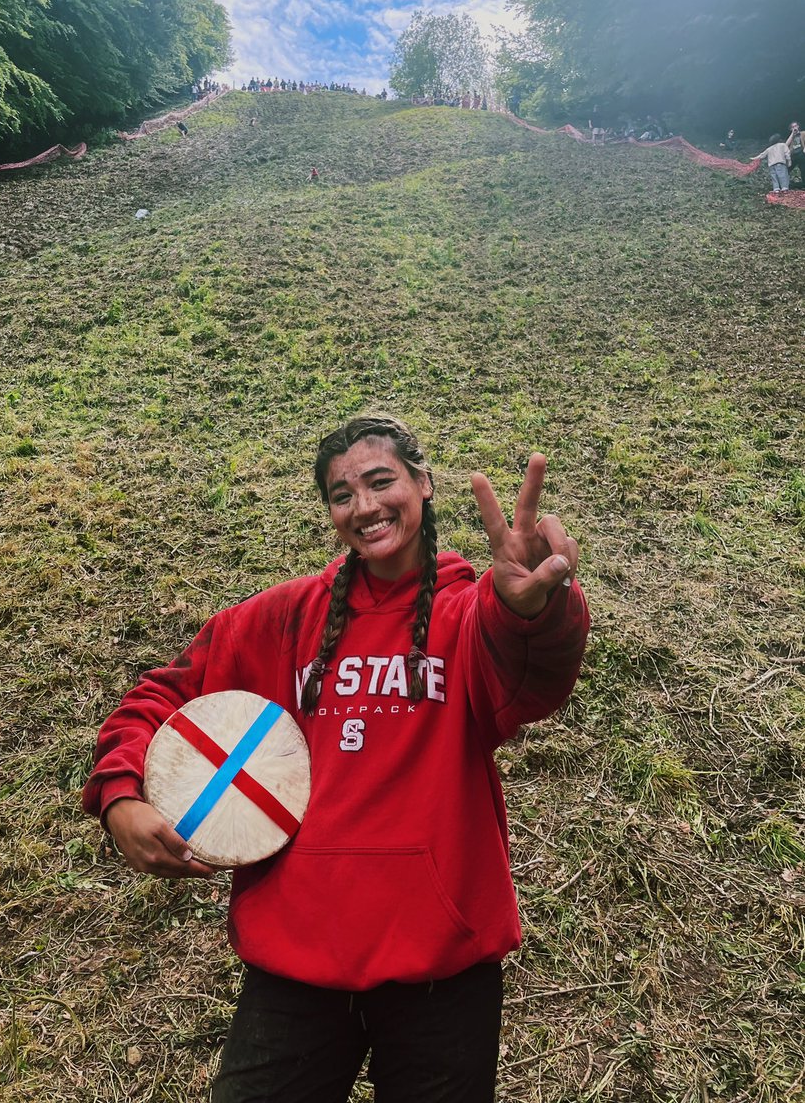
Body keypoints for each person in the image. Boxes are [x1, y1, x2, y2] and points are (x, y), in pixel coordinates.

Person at [82, 415, 589, 1102]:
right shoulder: (283, 617)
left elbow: (534, 674)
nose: (365, 506)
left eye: (382, 482)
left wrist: (532, 609)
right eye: (342, 494)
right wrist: (120, 795)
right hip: (296, 968)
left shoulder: (471, 613)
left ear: (424, 483)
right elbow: (160, 698)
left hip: (442, 974)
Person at [786, 122, 805, 186]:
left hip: (801, 154)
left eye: (795, 126)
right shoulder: (791, 136)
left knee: (803, 169)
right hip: (793, 155)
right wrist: (792, 134)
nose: (794, 128)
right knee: (787, 169)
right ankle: (786, 183)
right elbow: (786, 145)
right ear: (791, 129)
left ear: (798, 126)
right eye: (793, 127)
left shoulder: (803, 133)